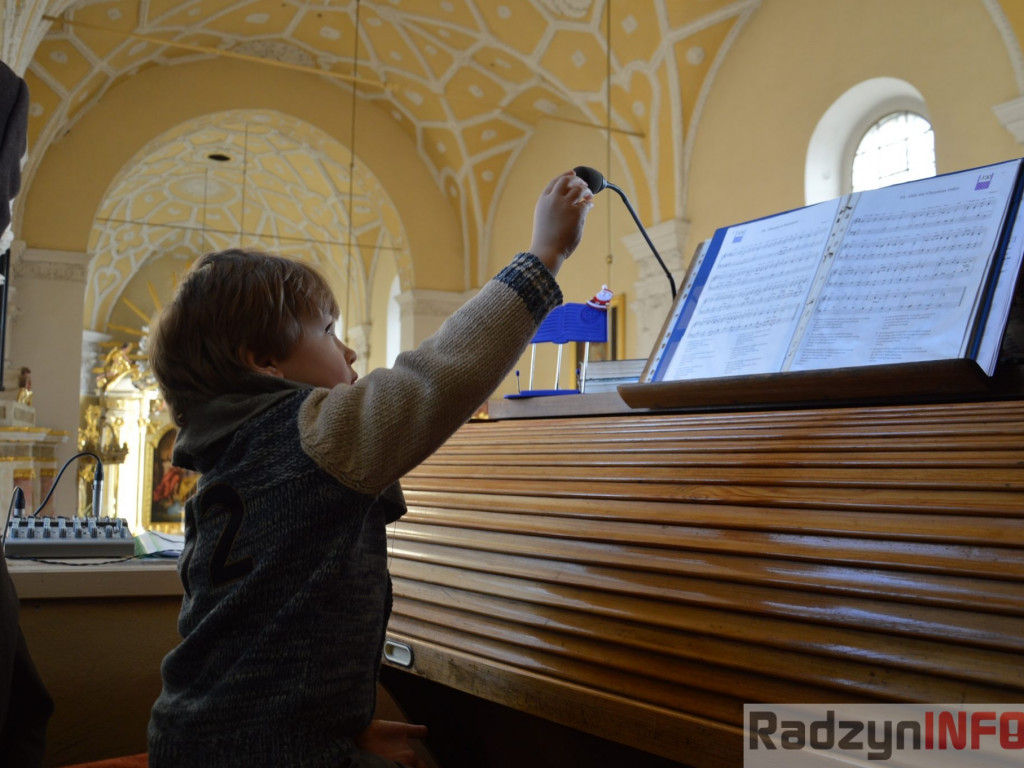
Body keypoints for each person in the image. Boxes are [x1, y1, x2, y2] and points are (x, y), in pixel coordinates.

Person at [145, 170, 593, 767]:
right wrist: (544, 256)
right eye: (329, 331)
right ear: (264, 363)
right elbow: (435, 376)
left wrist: (338, 729)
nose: (350, 350)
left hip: (201, 736)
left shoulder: (228, 458)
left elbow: (256, 630)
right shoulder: (310, 434)